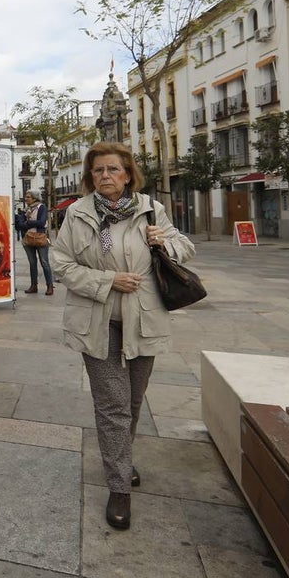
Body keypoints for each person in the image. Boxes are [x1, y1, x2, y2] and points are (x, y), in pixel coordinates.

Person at [50, 142, 195, 531]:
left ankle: (121, 458)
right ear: (90, 177)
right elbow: (60, 263)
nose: (105, 177)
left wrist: (161, 241)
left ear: (128, 173)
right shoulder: (77, 214)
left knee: (132, 401)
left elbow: (186, 247)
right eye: (98, 171)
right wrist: (106, 280)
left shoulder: (152, 209)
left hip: (144, 319)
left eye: (113, 169)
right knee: (112, 404)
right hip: (95, 321)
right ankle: (119, 488)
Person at [17, 190, 54, 295]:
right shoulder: (26, 209)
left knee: (44, 262)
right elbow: (20, 224)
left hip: (40, 238)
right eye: (26, 196)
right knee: (32, 263)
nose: (26, 198)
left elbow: (42, 223)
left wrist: (28, 223)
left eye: (28, 197)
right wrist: (30, 224)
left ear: (34, 198)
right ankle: (34, 286)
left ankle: (49, 286)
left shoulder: (41, 207)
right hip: (28, 239)